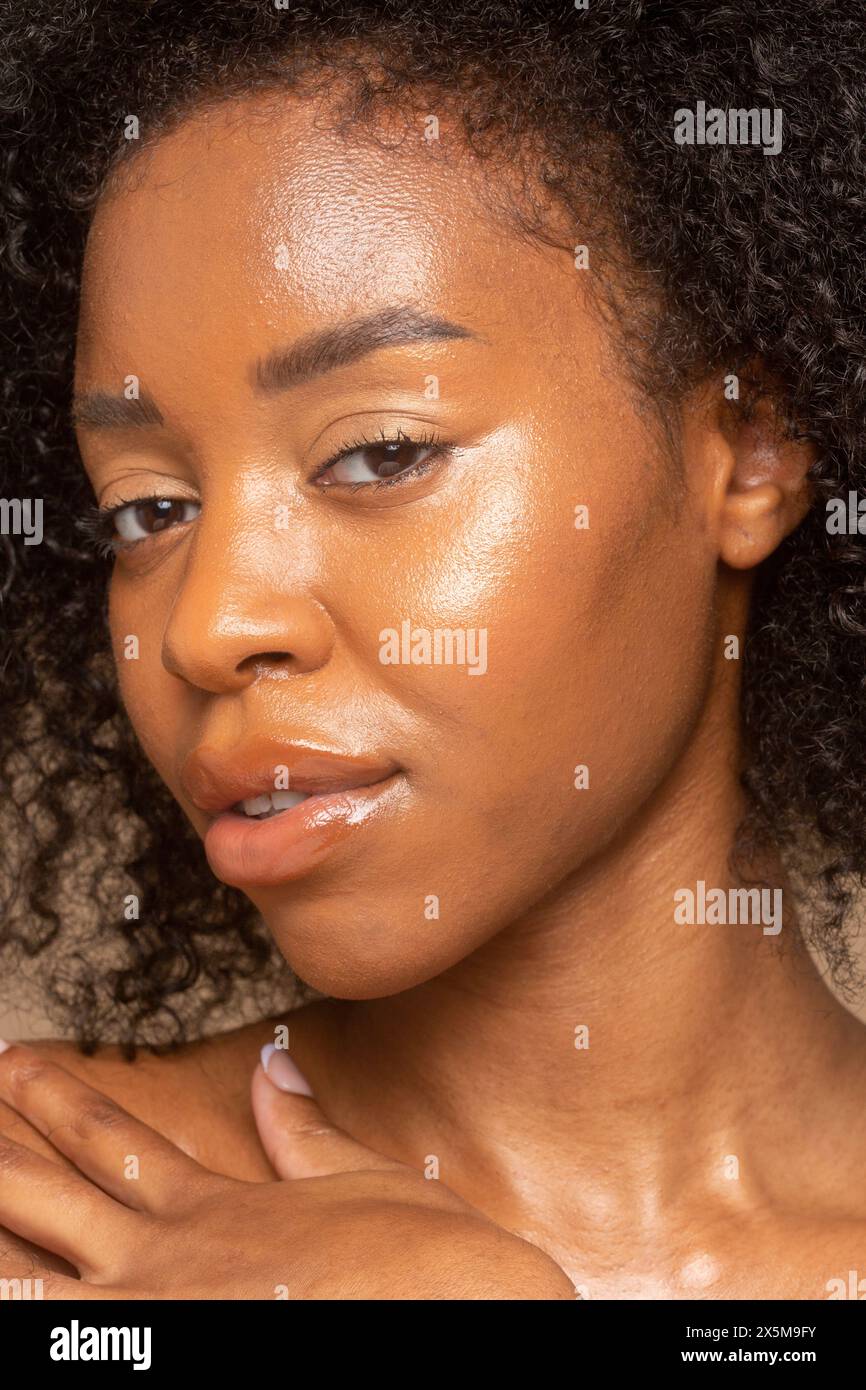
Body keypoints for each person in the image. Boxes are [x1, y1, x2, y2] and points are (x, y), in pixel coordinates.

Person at [1, 1, 865, 1299]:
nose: (208, 624)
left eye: (380, 451)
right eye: (149, 509)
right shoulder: (51, 1230)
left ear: (745, 450)